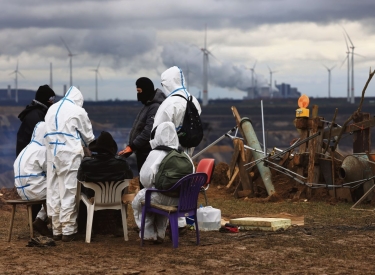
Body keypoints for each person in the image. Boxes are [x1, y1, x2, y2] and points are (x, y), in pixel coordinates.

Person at [152, 66, 202, 231]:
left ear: (166, 83)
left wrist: (155, 151)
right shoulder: (193, 100)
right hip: (189, 150)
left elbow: (157, 131)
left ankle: (168, 222)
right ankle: (183, 219)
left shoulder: (169, 103)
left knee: (168, 185)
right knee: (185, 182)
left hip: (170, 154)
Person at [44, 86, 95, 242]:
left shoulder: (51, 109)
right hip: (69, 156)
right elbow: (89, 137)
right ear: (79, 100)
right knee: (69, 191)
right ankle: (68, 230)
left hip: (52, 154)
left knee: (54, 191)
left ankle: (56, 229)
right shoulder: (78, 111)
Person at [132, 122, 194, 243]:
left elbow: (145, 180)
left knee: (140, 200)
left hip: (161, 197)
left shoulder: (155, 154)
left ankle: (148, 233)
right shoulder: (184, 155)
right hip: (183, 200)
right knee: (157, 195)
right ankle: (160, 233)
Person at [77, 131, 133, 236]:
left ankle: (84, 229)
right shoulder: (122, 164)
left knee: (81, 192)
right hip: (115, 199)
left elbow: (80, 179)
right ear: (112, 148)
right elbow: (129, 178)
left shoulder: (87, 163)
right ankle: (118, 226)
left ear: (97, 148)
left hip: (92, 199)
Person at [119, 77, 166, 189]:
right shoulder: (148, 105)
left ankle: (147, 204)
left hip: (147, 152)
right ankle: (145, 204)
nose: (138, 95)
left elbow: (148, 131)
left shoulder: (154, 107)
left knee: (146, 184)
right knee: (143, 182)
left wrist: (133, 146)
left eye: (139, 92)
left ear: (146, 90)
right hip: (141, 151)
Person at [13, 122, 50, 236]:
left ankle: (40, 220)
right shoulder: (41, 151)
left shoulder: (26, 149)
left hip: (22, 191)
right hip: (35, 191)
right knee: (61, 188)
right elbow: (51, 172)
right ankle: (42, 220)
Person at [16, 85, 56, 156]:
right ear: (45, 99)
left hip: (29, 157)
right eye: (51, 99)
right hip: (30, 159)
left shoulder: (37, 113)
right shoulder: (36, 117)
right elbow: (43, 139)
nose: (52, 102)